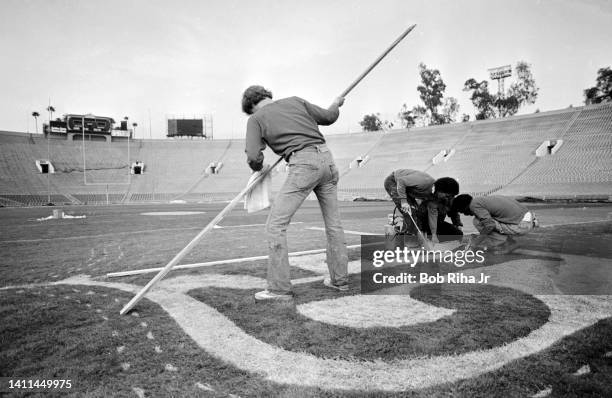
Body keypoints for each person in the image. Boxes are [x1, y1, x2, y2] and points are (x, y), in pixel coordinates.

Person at [242, 85, 348, 301]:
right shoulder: (296, 101)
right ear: (267, 96)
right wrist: (336, 104)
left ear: (250, 106)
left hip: (304, 164)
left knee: (275, 225)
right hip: (327, 160)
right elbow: (328, 117)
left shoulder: (255, 119)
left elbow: (253, 157)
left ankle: (278, 289)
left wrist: (259, 166)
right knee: (334, 225)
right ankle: (340, 281)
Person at [383, 169, 462, 243]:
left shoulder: (436, 197)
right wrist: (404, 201)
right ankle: (410, 240)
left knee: (415, 212)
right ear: (440, 191)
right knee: (410, 212)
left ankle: (415, 233)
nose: (447, 198)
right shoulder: (424, 182)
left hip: (408, 189)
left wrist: (457, 224)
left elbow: (434, 215)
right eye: (447, 195)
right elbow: (401, 181)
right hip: (394, 182)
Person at [451, 194, 538, 254]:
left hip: (522, 226)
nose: (465, 214)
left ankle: (510, 244)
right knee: (485, 220)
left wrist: (476, 242)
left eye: (462, 211)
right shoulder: (482, 200)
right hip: (529, 219)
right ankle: (508, 242)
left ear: (465, 207)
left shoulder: (474, 205)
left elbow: (489, 225)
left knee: (478, 222)